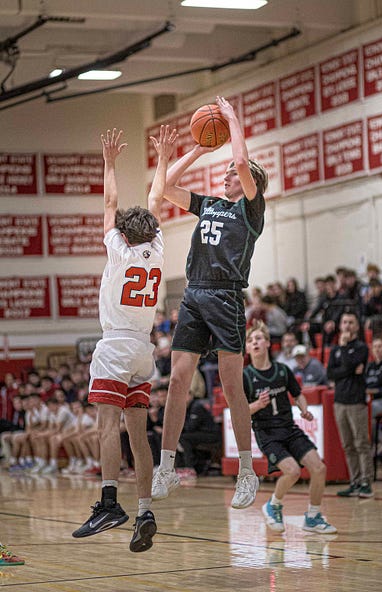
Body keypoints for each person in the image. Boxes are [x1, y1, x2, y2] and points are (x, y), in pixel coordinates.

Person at [152, 96, 267, 510]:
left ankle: (247, 473)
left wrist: (233, 118)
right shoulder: (210, 206)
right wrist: (198, 148)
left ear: (250, 182)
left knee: (232, 386)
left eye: (234, 176)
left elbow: (240, 162)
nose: (226, 177)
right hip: (195, 294)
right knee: (178, 381)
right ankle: (165, 467)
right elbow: (164, 187)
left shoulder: (252, 210)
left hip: (226, 298)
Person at [72, 125, 177, 553]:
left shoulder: (119, 248)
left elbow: (111, 203)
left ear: (123, 233)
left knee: (106, 428)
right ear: (149, 233)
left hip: (115, 345)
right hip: (144, 350)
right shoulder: (159, 248)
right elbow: (155, 201)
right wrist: (164, 158)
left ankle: (109, 502)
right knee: (139, 432)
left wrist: (109, 161)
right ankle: (146, 509)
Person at [244, 321, 336, 534]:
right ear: (247, 348)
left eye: (258, 338)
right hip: (267, 434)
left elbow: (298, 394)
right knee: (293, 471)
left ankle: (313, 517)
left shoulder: (282, 371)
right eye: (250, 340)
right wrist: (257, 405)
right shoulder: (245, 376)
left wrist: (304, 409)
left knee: (319, 468)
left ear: (267, 343)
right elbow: (240, 411)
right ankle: (273, 505)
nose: (254, 342)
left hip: (289, 428)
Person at [327, 312, 373, 497]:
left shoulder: (361, 347)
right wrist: (349, 369)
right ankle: (354, 482)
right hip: (339, 401)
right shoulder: (334, 349)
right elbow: (331, 373)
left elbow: (347, 364)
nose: (347, 325)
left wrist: (345, 348)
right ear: (340, 325)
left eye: (351, 322)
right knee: (347, 445)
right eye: (344, 322)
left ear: (356, 326)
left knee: (361, 443)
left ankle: (366, 483)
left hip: (356, 401)